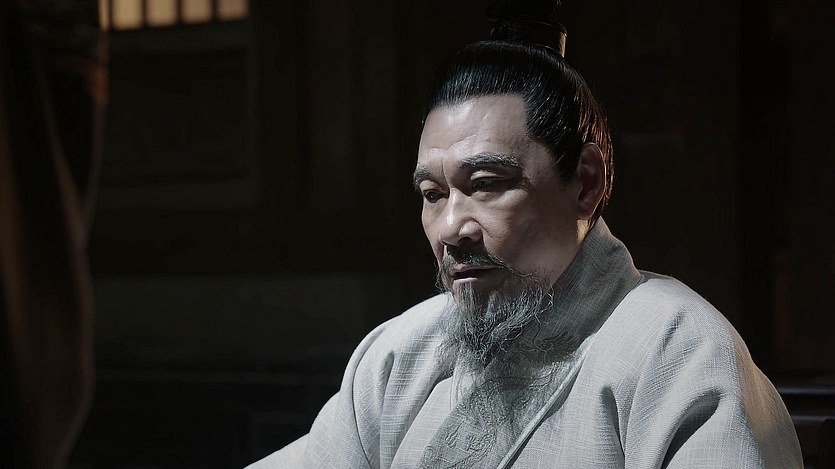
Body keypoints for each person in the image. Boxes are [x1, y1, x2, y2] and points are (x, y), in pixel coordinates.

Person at [248, 35, 803, 469]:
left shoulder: (678, 349)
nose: (451, 228)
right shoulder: (397, 356)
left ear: (585, 183)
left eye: (487, 184)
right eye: (432, 195)